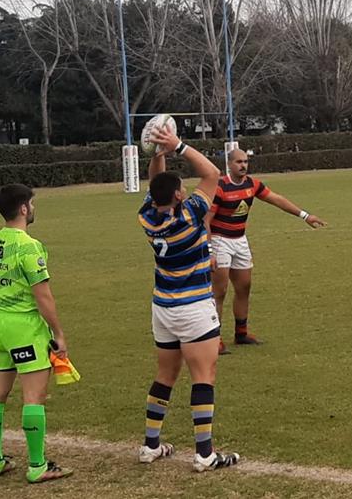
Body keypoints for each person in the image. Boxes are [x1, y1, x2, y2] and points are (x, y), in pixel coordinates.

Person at [137, 127, 240, 472]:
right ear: (180, 195)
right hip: (194, 307)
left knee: (165, 375)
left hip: (163, 307)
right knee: (203, 376)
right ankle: (205, 454)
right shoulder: (190, 213)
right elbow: (212, 174)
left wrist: (158, 153)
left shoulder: (148, 216)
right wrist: (177, 145)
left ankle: (151, 445)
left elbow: (157, 184)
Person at [0, 184, 73, 483]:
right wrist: (58, 333)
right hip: (24, 328)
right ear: (23, 208)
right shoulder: (30, 247)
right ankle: (37, 465)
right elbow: (43, 296)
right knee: (34, 397)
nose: (33, 208)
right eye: (32, 204)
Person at [209, 148, 326, 354]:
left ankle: (241, 333)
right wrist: (209, 250)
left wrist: (305, 216)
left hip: (240, 240)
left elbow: (277, 199)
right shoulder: (220, 187)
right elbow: (205, 221)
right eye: (239, 162)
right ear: (229, 164)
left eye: (245, 161)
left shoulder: (252, 184)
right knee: (219, 291)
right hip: (220, 241)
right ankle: (213, 339)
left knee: (244, 287)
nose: (243, 165)